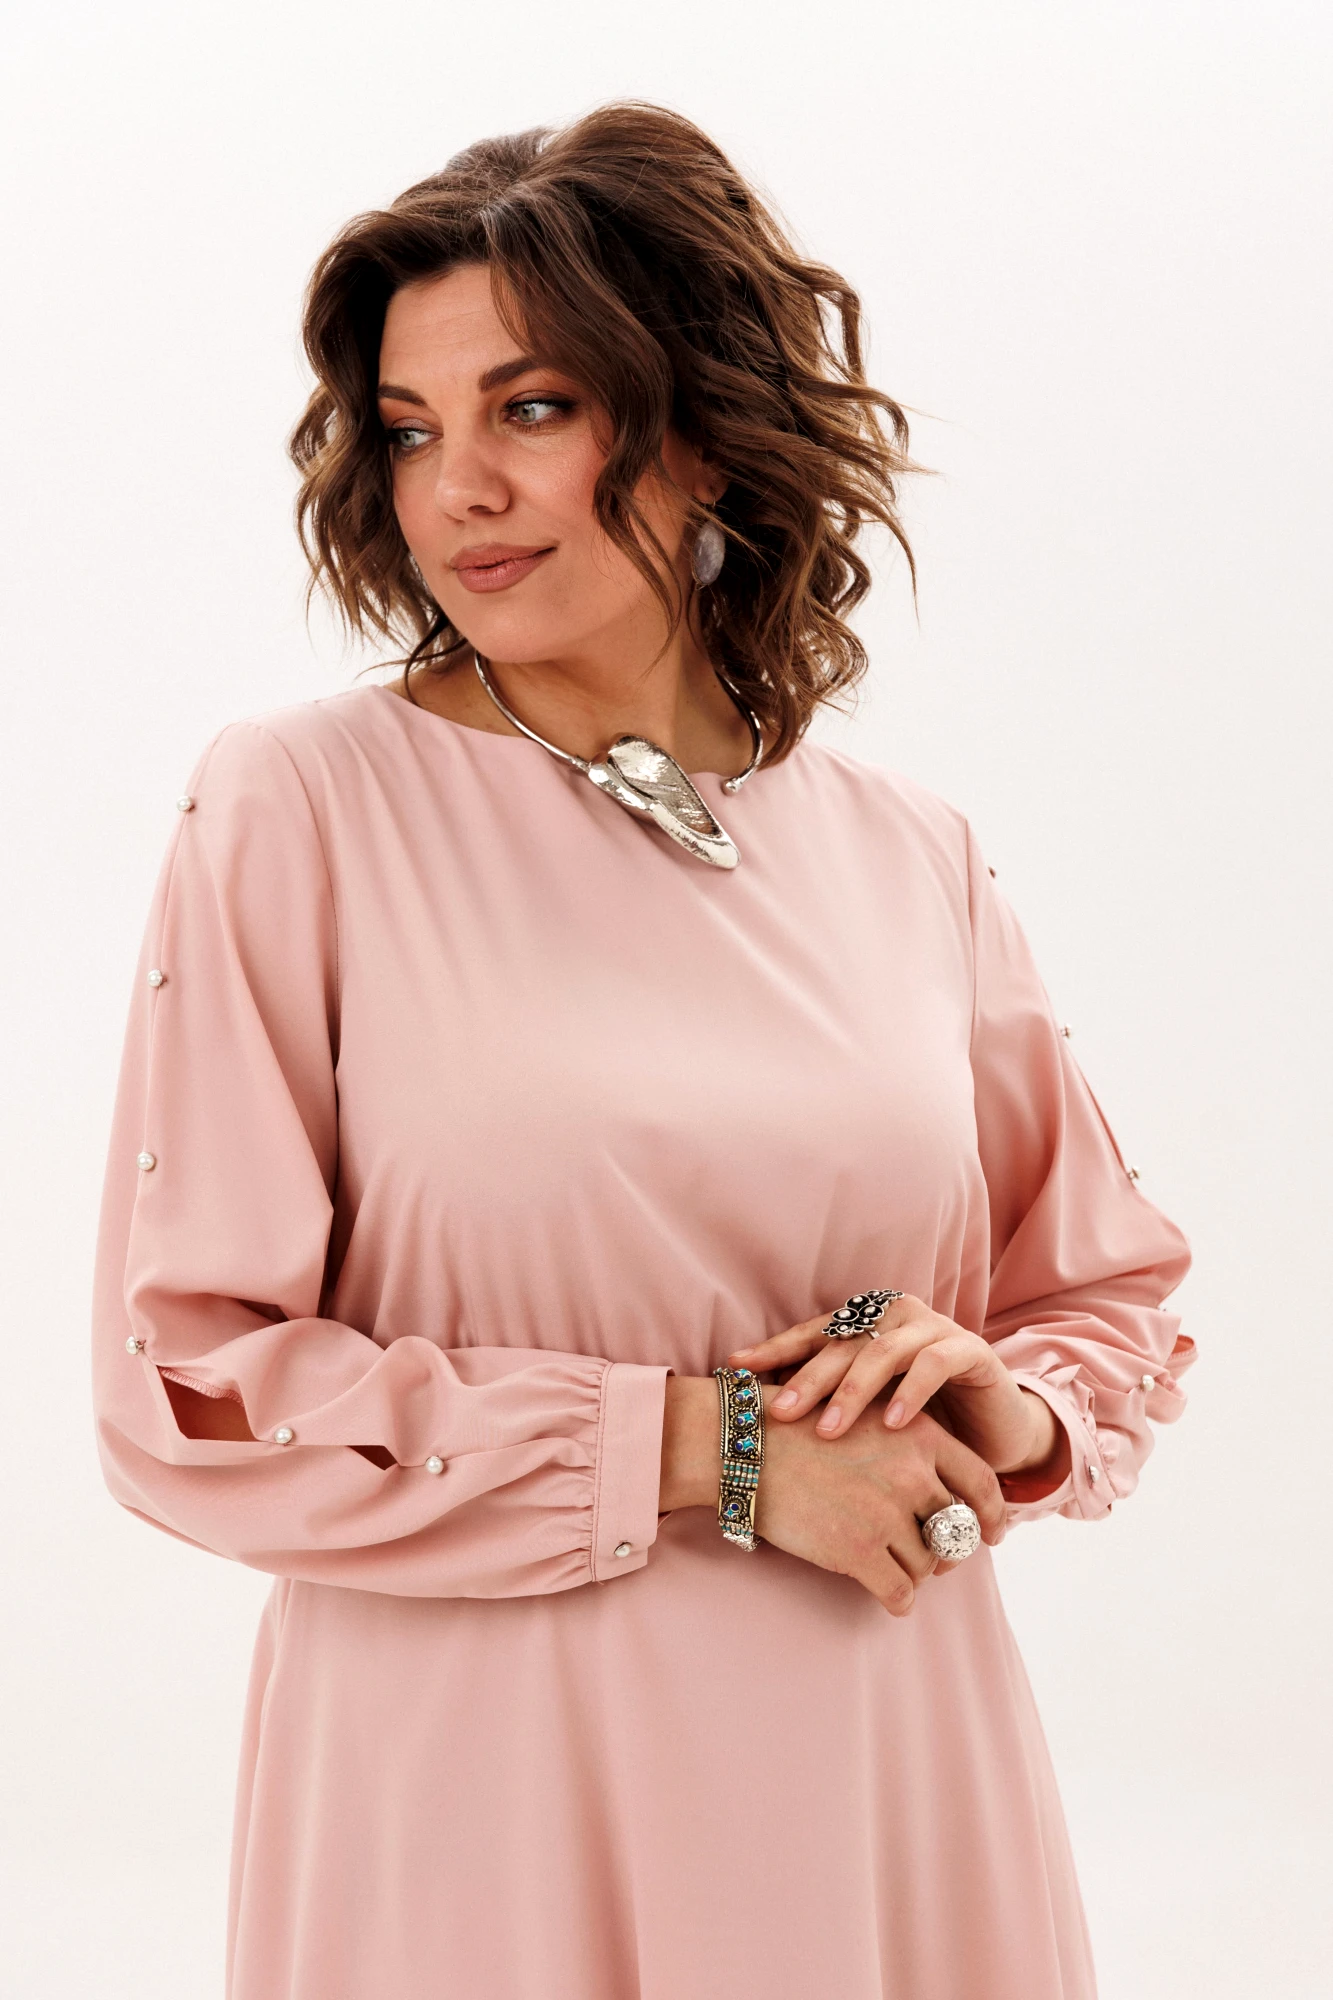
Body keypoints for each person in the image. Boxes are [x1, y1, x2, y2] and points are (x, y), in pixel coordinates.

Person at [92, 102, 1193, 2000]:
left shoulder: (906, 849)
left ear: (703, 427)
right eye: (410, 430)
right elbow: (190, 1386)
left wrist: (1001, 1410)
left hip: (885, 1767)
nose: (460, 489)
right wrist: (719, 1450)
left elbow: (1099, 1292)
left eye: (532, 409)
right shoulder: (304, 806)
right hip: (482, 1791)